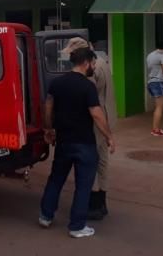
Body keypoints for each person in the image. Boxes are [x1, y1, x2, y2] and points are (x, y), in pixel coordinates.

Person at [39, 47, 115, 239]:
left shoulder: (57, 83)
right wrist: (109, 136)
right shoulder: (87, 86)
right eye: (94, 64)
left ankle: (45, 216)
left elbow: (48, 107)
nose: (94, 67)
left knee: (56, 179)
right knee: (83, 185)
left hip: (63, 142)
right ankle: (77, 226)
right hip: (84, 144)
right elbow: (96, 114)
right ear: (86, 63)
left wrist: (48, 129)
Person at [62, 37, 116, 220]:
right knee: (103, 163)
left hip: (96, 121)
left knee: (91, 162)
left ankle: (94, 205)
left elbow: (87, 96)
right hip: (107, 117)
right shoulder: (103, 62)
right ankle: (102, 203)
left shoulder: (93, 68)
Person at [147, 41, 163, 137]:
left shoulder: (150, 55)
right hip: (159, 82)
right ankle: (156, 130)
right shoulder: (162, 55)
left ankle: (155, 128)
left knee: (158, 106)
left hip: (151, 82)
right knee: (160, 107)